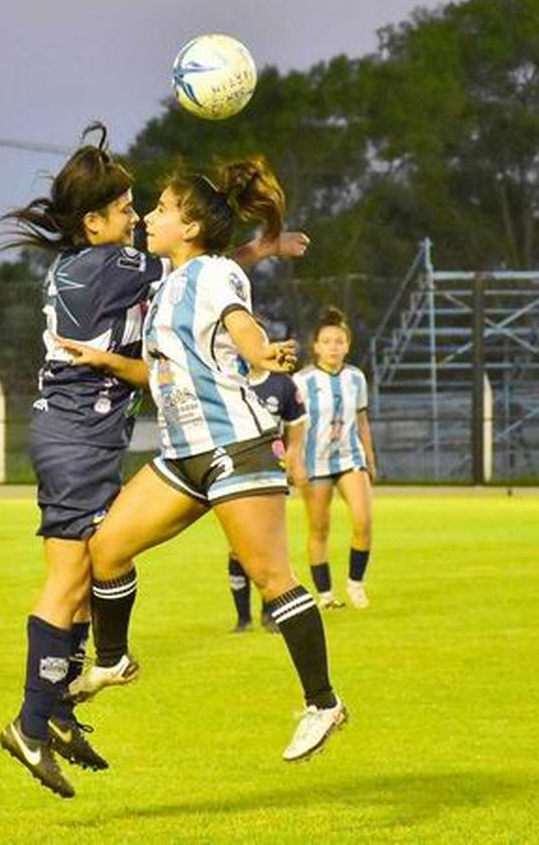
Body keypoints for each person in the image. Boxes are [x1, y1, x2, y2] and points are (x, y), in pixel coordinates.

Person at [0, 126, 308, 798]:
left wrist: (260, 247)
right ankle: (32, 718)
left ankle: (57, 710)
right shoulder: (117, 266)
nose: (138, 217)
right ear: (94, 222)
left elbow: (192, 278)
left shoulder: (89, 263)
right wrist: (256, 247)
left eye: (144, 206)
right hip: (75, 438)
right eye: (128, 208)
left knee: (91, 565)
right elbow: (196, 264)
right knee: (68, 577)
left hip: (82, 435)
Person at [63, 159, 347, 764]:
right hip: (182, 455)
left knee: (272, 579)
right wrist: (106, 361)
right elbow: (161, 372)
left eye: (162, 209)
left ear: (189, 228)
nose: (149, 217)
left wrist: (263, 351)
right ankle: (112, 661)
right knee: (107, 549)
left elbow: (241, 325)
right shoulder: (168, 284)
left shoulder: (214, 274)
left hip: (234, 448)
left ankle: (322, 703)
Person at [293, 308, 376, 608]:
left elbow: (362, 421)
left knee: (363, 521)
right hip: (315, 462)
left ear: (348, 345)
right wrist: (295, 463)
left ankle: (356, 584)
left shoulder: (356, 378)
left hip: (349, 457)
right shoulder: (303, 381)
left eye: (339, 341)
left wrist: (370, 458)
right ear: (316, 346)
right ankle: (326, 595)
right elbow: (294, 427)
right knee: (319, 529)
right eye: (326, 341)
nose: (333, 347)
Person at [227, 365, 306, 633]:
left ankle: (269, 613)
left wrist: (294, 457)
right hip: (234, 468)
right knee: (236, 546)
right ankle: (242, 618)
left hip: (271, 469)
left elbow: (297, 422)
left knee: (268, 543)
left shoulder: (281, 383)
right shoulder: (225, 376)